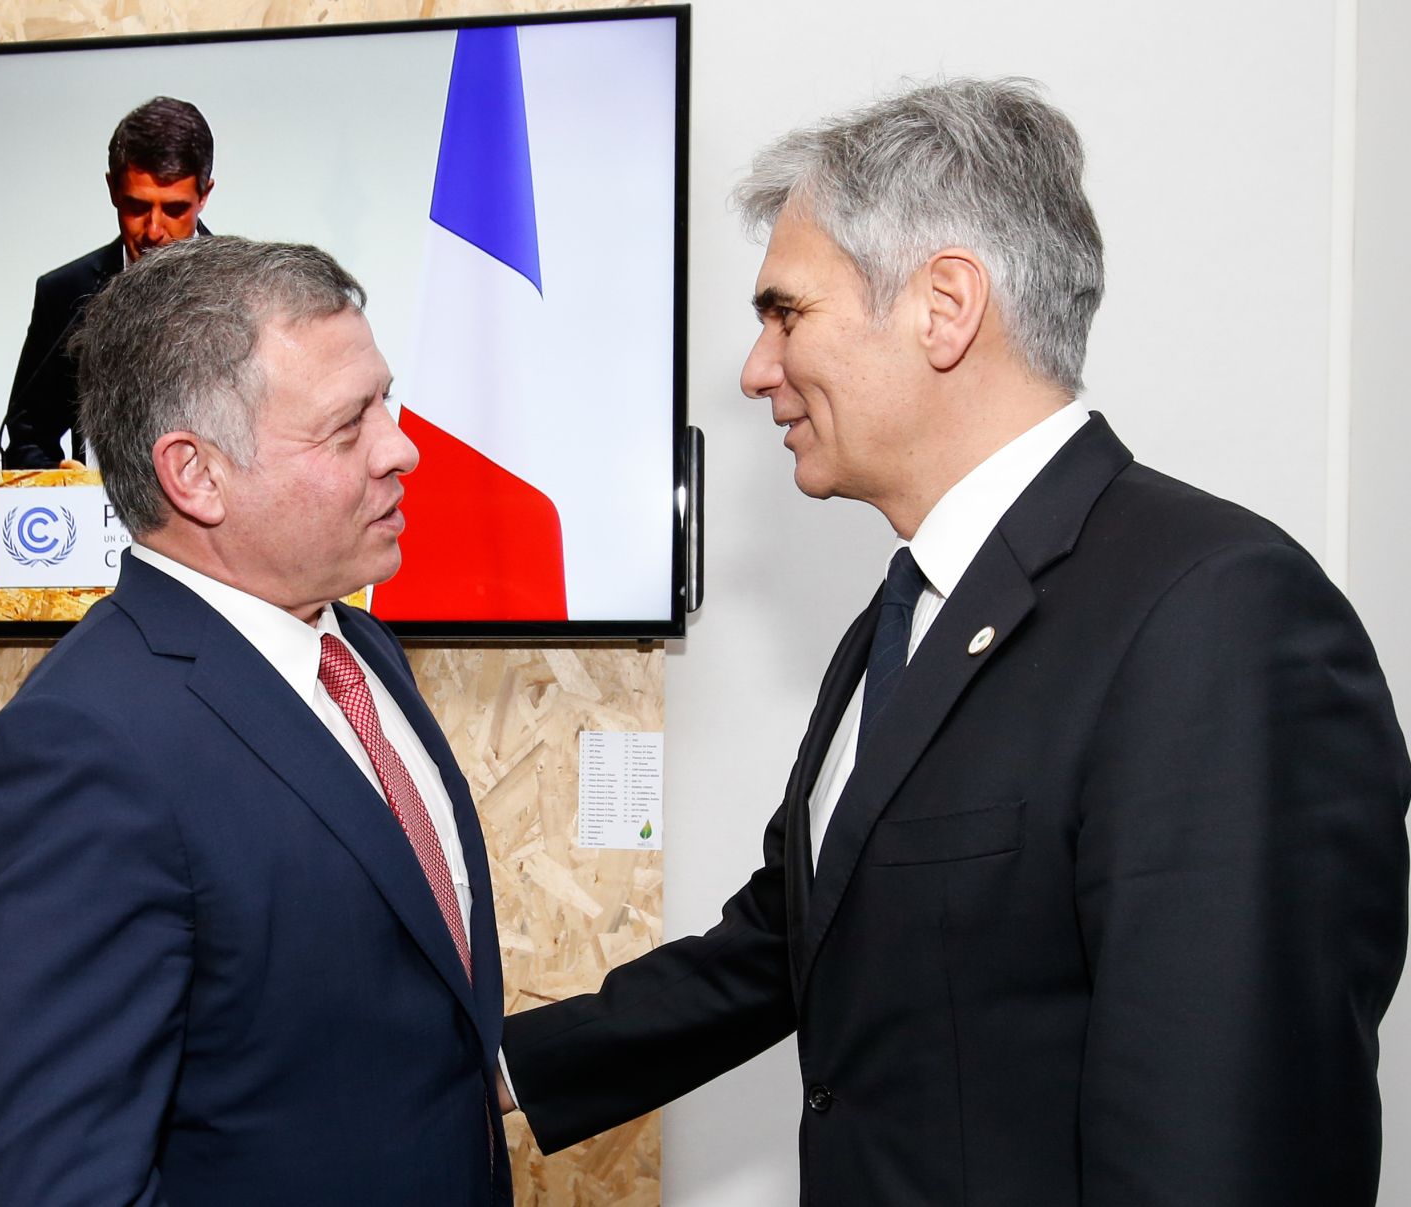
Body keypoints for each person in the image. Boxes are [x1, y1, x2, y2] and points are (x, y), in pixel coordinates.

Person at [498, 78, 1411, 1204]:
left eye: (785, 312)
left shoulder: (1215, 615)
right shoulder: (900, 618)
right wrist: (493, 1067)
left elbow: (1230, 1130)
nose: (753, 369)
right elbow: (789, 936)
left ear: (943, 304)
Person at [0, 236, 511, 1205]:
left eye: (385, 398)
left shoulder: (359, 650)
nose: (401, 446)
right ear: (194, 474)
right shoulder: (83, 749)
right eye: (345, 427)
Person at [0, 96, 215, 468]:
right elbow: (27, 437)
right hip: (99, 521)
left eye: (175, 209)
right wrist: (62, 488)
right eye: (137, 206)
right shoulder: (65, 294)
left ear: (204, 195)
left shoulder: (249, 291)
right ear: (113, 190)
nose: (154, 230)